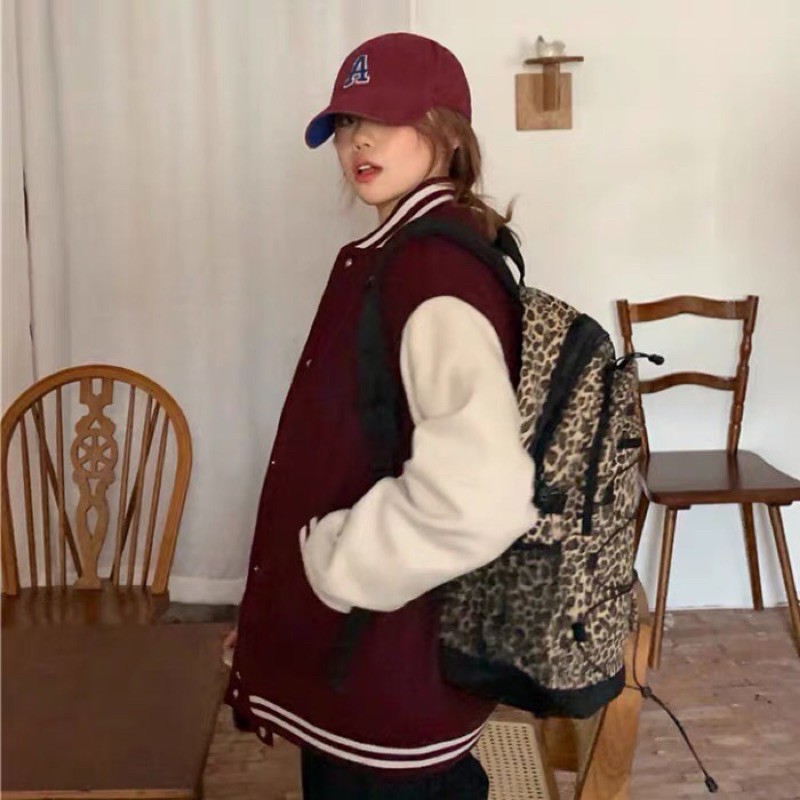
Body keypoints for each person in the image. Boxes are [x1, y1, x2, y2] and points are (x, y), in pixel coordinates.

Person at [224, 32, 539, 799]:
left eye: (384, 117)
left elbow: (481, 496)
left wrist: (333, 566)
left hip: (384, 674)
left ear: (447, 133)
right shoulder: (408, 253)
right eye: (344, 123)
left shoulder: (431, 267)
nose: (358, 140)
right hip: (379, 661)